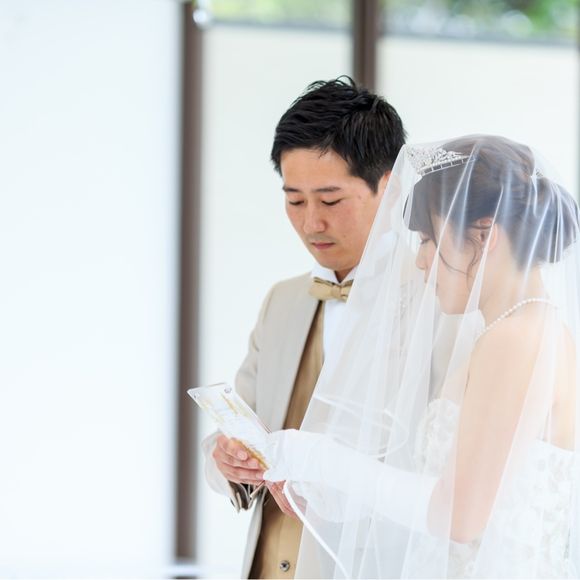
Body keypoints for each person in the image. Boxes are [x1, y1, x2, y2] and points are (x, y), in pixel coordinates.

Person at [263, 135, 580, 578]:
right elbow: (443, 494)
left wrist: (323, 459)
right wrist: (330, 491)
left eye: (429, 239)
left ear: (485, 235)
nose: (421, 260)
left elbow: (460, 517)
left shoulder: (517, 339)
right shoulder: (510, 330)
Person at [201, 77, 406, 578]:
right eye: (294, 201)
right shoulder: (283, 300)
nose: (311, 222)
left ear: (389, 186)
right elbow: (237, 423)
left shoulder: (436, 303)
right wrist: (225, 459)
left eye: (330, 201)